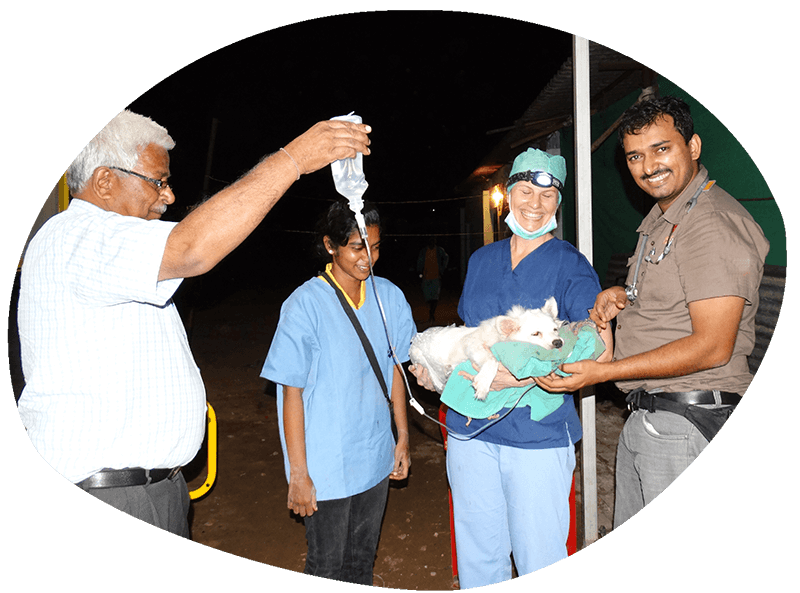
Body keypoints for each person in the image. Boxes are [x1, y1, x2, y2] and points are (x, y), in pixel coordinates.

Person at [17, 110, 371, 536]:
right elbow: (193, 247)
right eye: (157, 181)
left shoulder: (109, 257)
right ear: (105, 181)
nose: (168, 196)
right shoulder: (77, 236)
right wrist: (294, 159)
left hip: (151, 491)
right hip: (111, 492)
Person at [536, 96, 769, 527]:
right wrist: (625, 293)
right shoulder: (664, 219)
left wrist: (601, 373)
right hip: (654, 415)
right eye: (635, 156)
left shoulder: (711, 224)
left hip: (689, 421)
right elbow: (680, 294)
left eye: (662, 148)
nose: (648, 166)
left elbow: (714, 346)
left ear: (693, 147)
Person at [411, 148, 613, 587]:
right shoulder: (483, 260)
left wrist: (526, 375)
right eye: (525, 190)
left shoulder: (569, 263)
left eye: (547, 196)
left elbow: (598, 349)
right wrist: (438, 369)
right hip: (468, 430)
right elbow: (471, 337)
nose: (534, 205)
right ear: (509, 194)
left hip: (534, 435)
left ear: (558, 204)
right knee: (478, 553)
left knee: (538, 552)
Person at [260, 199, 414, 585]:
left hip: (375, 454)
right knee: (327, 565)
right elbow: (290, 391)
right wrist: (298, 473)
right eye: (358, 247)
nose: (368, 259)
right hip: (325, 464)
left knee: (361, 562)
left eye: (375, 247)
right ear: (330, 245)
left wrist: (403, 437)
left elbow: (396, 370)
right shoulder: (304, 305)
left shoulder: (389, 298)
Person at [416, 237, 449, 322]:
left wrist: (443, 268)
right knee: (428, 297)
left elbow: (446, 257)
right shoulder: (424, 251)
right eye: (430, 241)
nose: (432, 243)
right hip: (426, 277)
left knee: (435, 297)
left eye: (433, 241)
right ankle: (431, 311)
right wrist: (419, 272)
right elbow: (419, 262)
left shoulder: (439, 250)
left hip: (436, 277)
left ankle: (432, 313)